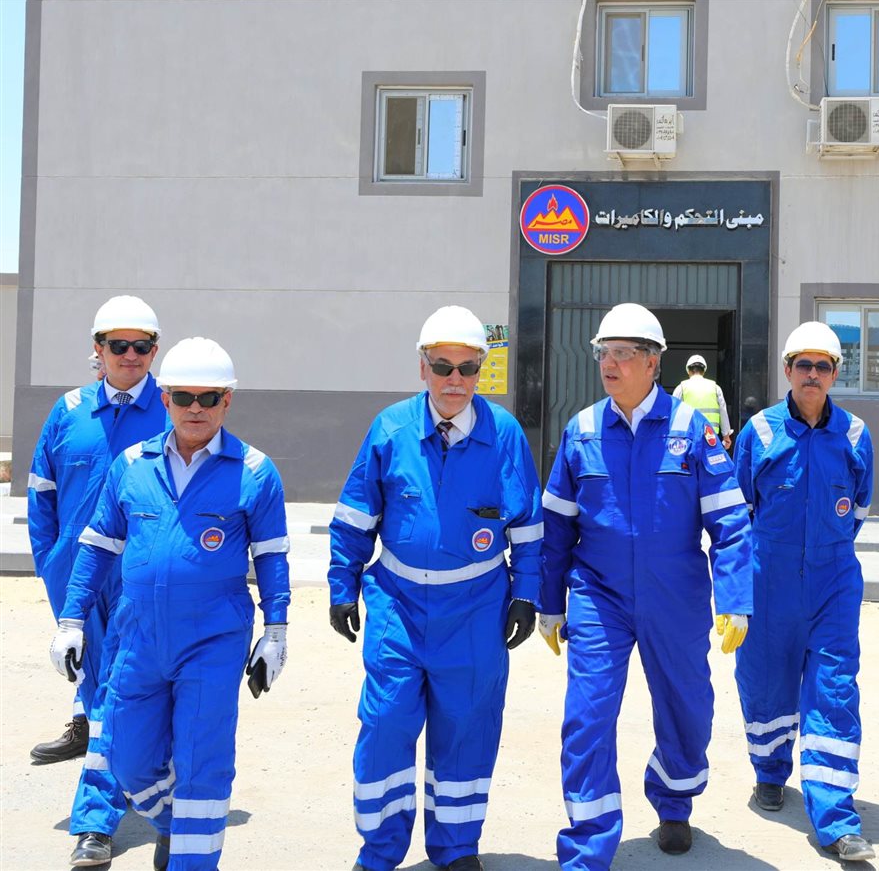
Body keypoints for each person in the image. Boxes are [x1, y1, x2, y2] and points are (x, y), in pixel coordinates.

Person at [50, 337, 291, 871]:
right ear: (165, 399)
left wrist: (275, 632)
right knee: (126, 757)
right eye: (183, 397)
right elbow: (98, 545)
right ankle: (173, 824)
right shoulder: (132, 465)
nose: (195, 408)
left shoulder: (255, 471)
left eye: (209, 397)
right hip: (138, 637)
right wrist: (71, 620)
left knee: (202, 759)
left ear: (228, 400)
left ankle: (191, 859)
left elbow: (272, 556)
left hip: (213, 638)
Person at [537, 302, 753, 869]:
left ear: (654, 363)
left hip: (675, 597)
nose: (608, 364)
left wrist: (735, 599)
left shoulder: (691, 430)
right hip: (598, 596)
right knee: (586, 718)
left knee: (688, 711)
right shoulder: (582, 431)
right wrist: (549, 602)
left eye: (622, 354)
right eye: (602, 353)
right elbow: (557, 526)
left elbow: (730, 522)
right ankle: (588, 843)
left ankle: (674, 800)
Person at [327, 306, 541, 871]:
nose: (454, 379)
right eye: (442, 366)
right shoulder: (390, 429)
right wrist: (342, 584)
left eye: (467, 368)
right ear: (422, 367)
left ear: (481, 371)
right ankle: (379, 850)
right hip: (397, 606)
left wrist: (527, 594)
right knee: (385, 723)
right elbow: (355, 517)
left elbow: (528, 527)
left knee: (467, 728)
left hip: (475, 609)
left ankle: (456, 848)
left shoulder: (504, 435)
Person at [27, 295, 167, 866]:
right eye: (118, 344)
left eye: (141, 346)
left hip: (136, 583)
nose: (130, 355)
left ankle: (95, 821)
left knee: (116, 689)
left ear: (154, 350)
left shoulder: (175, 408)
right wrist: (51, 565)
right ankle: (111, 751)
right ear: (98, 349)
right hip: (75, 580)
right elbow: (42, 495)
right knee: (98, 684)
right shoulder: (67, 411)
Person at [732, 321, 876, 862]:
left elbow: (858, 510)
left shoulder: (855, 436)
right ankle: (770, 771)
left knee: (833, 691)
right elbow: (737, 515)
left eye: (822, 366)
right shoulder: (760, 432)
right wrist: (737, 592)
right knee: (766, 682)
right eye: (803, 365)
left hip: (833, 582)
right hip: (768, 580)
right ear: (787, 370)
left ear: (836, 374)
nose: (812, 375)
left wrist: (822, 550)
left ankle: (836, 818)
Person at [672, 354, 733, 449]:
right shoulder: (715, 388)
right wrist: (726, 436)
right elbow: (723, 412)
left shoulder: (681, 388)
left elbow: (673, 413)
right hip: (711, 438)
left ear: (688, 371)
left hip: (689, 437)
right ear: (704, 370)